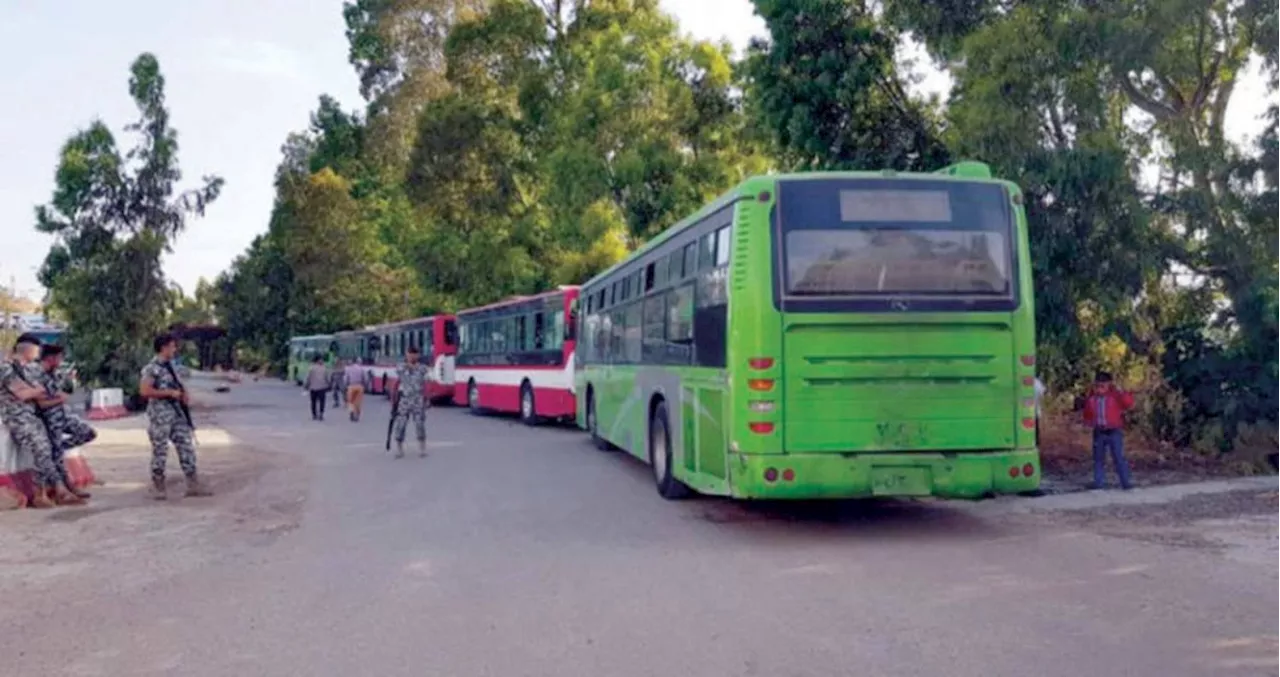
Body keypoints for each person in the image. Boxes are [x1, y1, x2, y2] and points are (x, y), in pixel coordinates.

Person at [1, 334, 82, 507]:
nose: (38, 353)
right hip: (17, 418)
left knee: (45, 451)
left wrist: (34, 390)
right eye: (37, 349)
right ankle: (52, 492)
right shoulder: (7, 368)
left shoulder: (25, 369)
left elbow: (37, 392)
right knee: (41, 450)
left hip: (30, 417)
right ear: (28, 348)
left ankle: (47, 492)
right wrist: (35, 390)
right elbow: (23, 393)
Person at [140, 333, 212, 499]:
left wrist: (183, 395)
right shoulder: (152, 369)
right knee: (160, 449)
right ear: (164, 347)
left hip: (177, 413)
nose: (174, 349)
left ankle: (193, 483)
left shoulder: (172, 366)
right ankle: (159, 485)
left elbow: (180, 384)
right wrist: (168, 393)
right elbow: (144, 391)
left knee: (186, 445)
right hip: (161, 415)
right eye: (172, 346)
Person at [36, 344, 95, 499]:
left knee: (87, 433)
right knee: (57, 459)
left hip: (62, 416)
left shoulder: (55, 374)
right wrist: (59, 399)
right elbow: (41, 403)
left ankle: (58, 450)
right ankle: (68, 487)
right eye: (59, 357)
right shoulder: (37, 375)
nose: (61, 361)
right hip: (49, 419)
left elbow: (64, 391)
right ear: (51, 357)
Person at [1081, 370, 1135, 490]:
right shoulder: (1092, 398)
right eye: (1097, 385)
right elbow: (1087, 412)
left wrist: (1121, 391)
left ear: (1109, 385)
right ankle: (1098, 483)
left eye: (1102, 386)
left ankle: (1125, 482)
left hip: (1114, 431)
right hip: (1099, 431)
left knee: (1118, 457)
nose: (1099, 389)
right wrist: (1087, 423)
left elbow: (1128, 403)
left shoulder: (1115, 396)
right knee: (1098, 458)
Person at [390, 345, 430, 458]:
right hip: (405, 399)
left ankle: (422, 448)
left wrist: (427, 398)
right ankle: (399, 448)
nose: (412, 355)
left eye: (415, 353)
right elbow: (396, 383)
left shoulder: (423, 368)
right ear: (406, 354)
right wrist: (393, 399)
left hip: (418, 399)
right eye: (410, 353)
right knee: (401, 424)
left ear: (418, 355)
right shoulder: (400, 368)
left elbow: (426, 384)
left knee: (420, 424)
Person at [343, 358, 369, 422]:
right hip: (359, 386)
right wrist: (365, 385)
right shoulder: (361, 369)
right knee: (358, 402)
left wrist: (346, 386)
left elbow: (345, 379)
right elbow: (366, 378)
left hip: (351, 386)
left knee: (351, 401)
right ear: (358, 362)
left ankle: (351, 412)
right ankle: (357, 416)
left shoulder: (348, 369)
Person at [305, 354, 330, 421]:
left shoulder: (311, 368)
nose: (322, 361)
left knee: (314, 401)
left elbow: (308, 378)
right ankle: (318, 414)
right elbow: (327, 378)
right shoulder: (323, 368)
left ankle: (316, 414)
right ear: (318, 360)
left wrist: (307, 385)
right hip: (320, 387)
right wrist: (328, 384)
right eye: (321, 359)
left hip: (315, 387)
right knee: (320, 401)